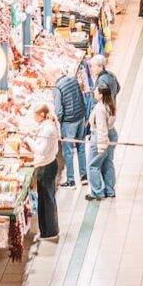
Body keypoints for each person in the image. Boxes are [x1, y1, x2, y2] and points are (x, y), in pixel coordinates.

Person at [27, 105, 63, 242]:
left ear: (41, 114)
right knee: (45, 199)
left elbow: (41, 149)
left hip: (46, 167)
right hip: (46, 165)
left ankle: (50, 232)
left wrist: (29, 141)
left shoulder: (48, 129)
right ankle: (46, 231)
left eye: (34, 115)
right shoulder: (46, 126)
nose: (33, 118)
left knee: (47, 200)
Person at [54, 59, 92, 185]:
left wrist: (57, 121)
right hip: (80, 117)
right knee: (81, 147)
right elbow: (82, 97)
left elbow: (59, 110)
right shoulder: (73, 79)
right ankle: (84, 176)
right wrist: (85, 116)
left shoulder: (58, 88)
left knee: (68, 151)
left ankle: (70, 180)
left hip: (69, 122)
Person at [85, 74, 120, 200]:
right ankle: (110, 190)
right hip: (112, 134)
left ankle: (97, 192)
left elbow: (101, 129)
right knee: (108, 163)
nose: (94, 92)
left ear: (101, 95)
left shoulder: (100, 108)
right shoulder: (111, 103)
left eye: (96, 91)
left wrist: (101, 147)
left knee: (93, 165)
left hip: (101, 137)